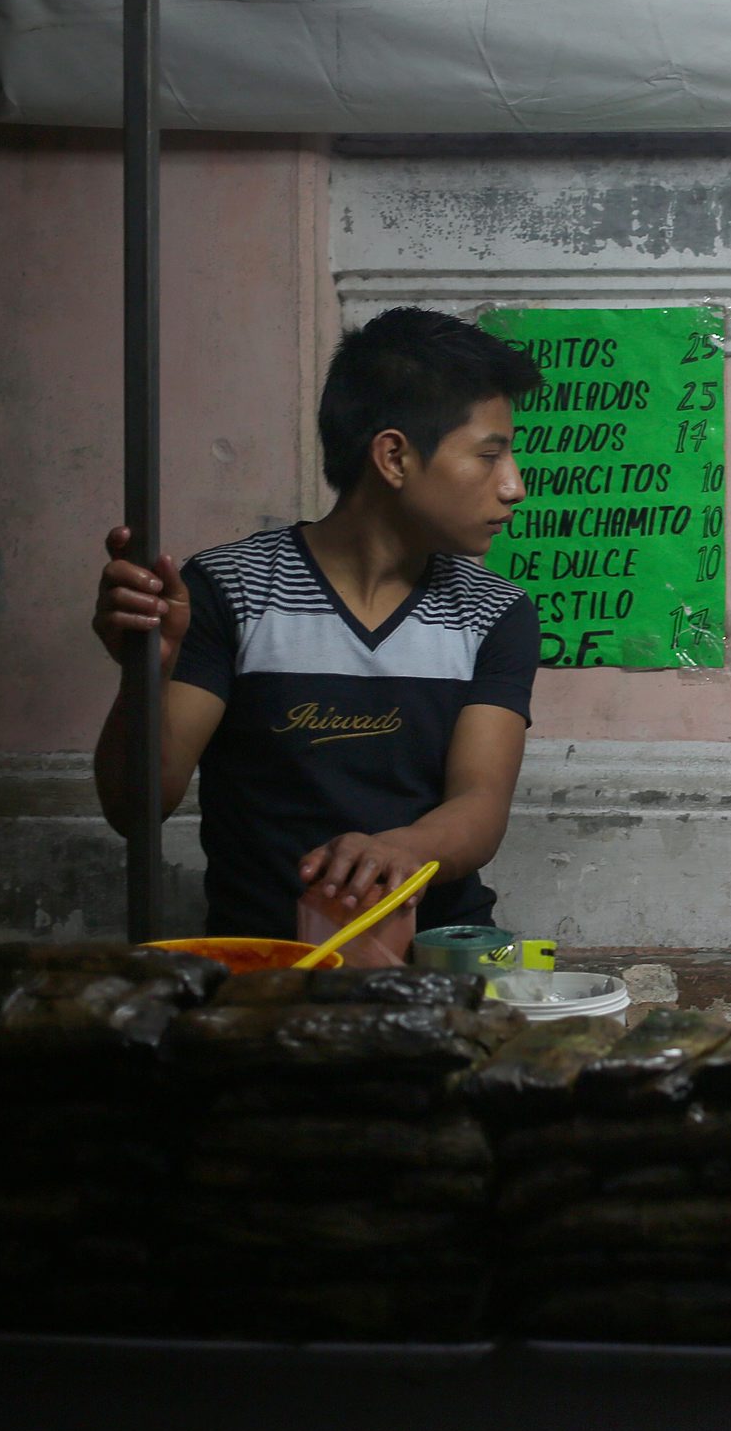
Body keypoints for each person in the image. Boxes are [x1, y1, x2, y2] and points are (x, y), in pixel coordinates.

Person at [89, 307, 544, 964]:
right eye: (489, 456)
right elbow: (134, 810)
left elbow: (479, 803)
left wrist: (402, 852)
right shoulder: (228, 590)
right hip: (268, 966)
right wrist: (145, 674)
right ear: (394, 456)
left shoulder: (493, 611)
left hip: (438, 961)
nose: (514, 487)